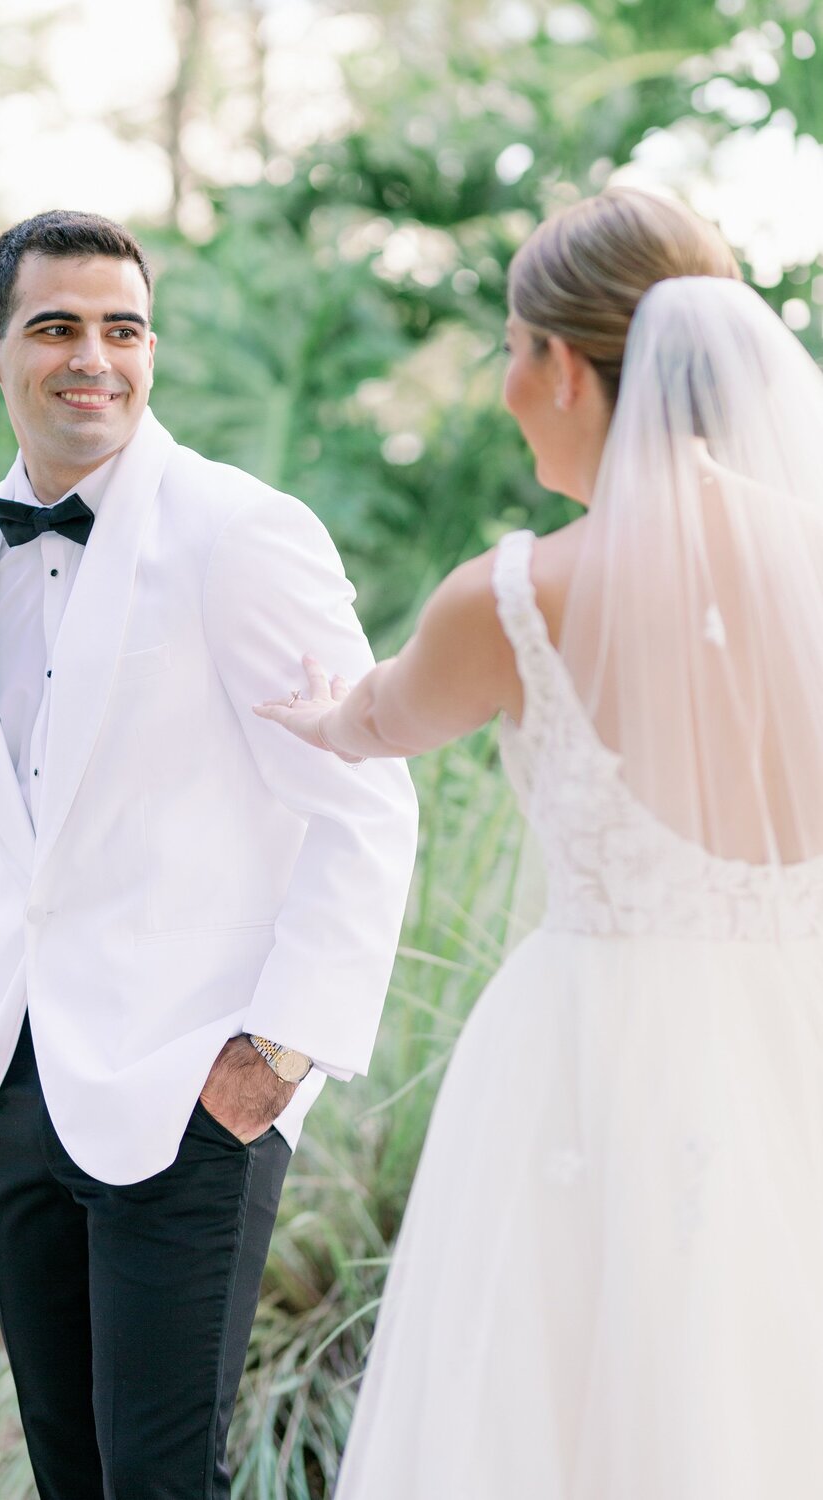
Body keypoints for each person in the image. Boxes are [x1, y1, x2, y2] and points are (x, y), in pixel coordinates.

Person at [255, 187, 823, 1498]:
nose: (508, 384)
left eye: (512, 347)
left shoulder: (515, 598)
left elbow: (375, 719)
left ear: (563, 365)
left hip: (590, 1065)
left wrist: (314, 708)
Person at [0, 209, 418, 1500]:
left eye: (122, 328)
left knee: (159, 1478)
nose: (95, 357)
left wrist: (278, 1056)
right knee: (68, 1467)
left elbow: (367, 801)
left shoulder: (237, 532)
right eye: (57, 328)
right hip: (21, 1076)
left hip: (194, 1081)